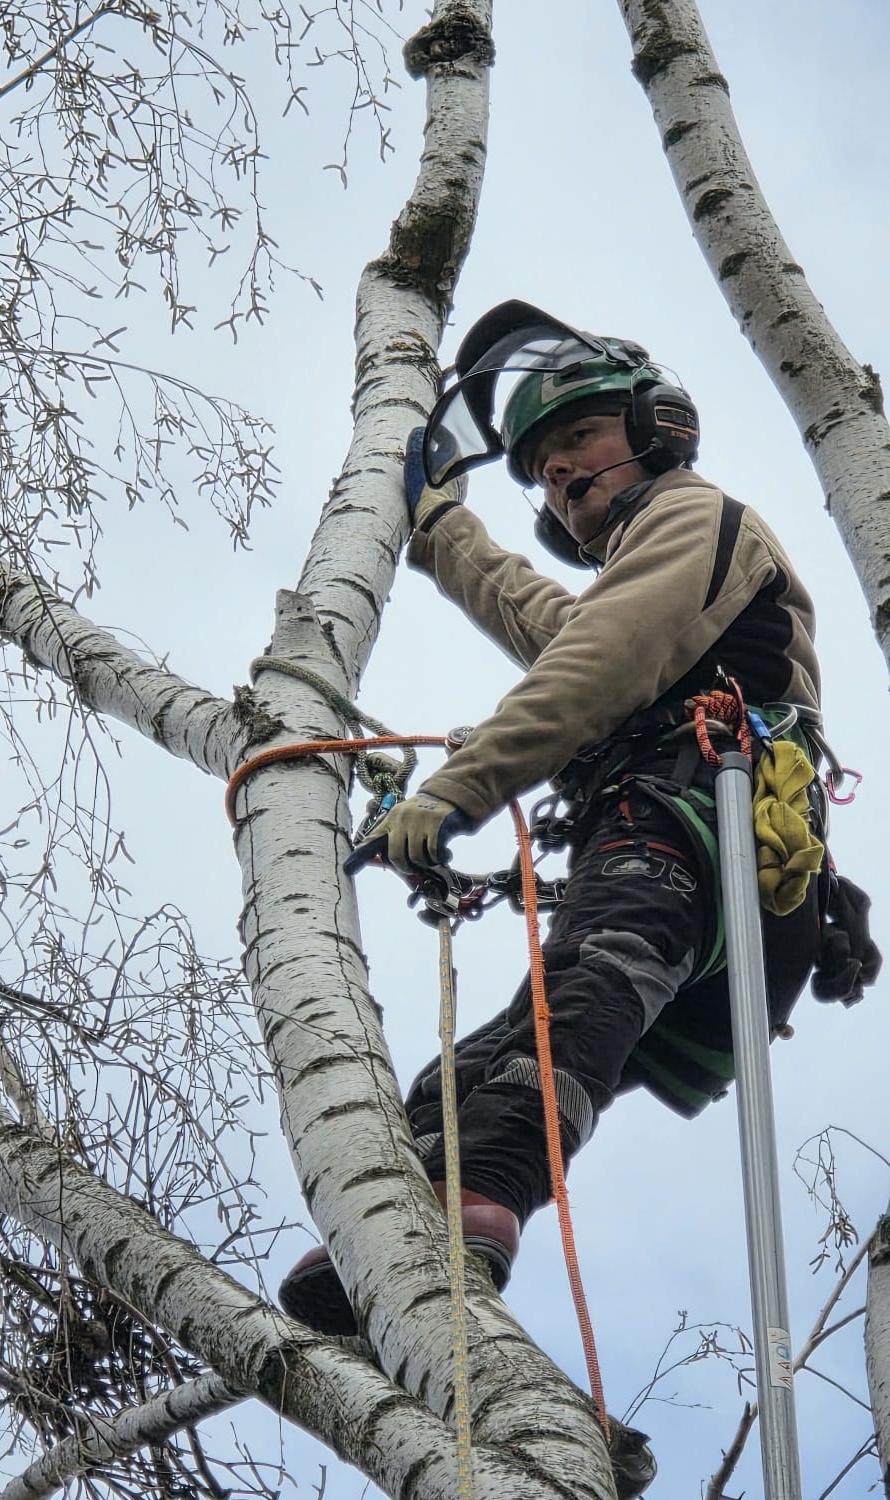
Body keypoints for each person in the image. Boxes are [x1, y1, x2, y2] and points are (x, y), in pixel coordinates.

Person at [279, 300, 878, 1339]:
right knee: (484, 1060)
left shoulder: (693, 516)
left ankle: (485, 1192)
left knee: (576, 1002)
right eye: (543, 470)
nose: (560, 473)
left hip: (698, 828)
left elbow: (592, 666)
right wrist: (442, 531)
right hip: (700, 859)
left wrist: (458, 791)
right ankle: (398, 1232)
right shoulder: (658, 570)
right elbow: (552, 623)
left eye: (579, 439)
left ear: (655, 427)